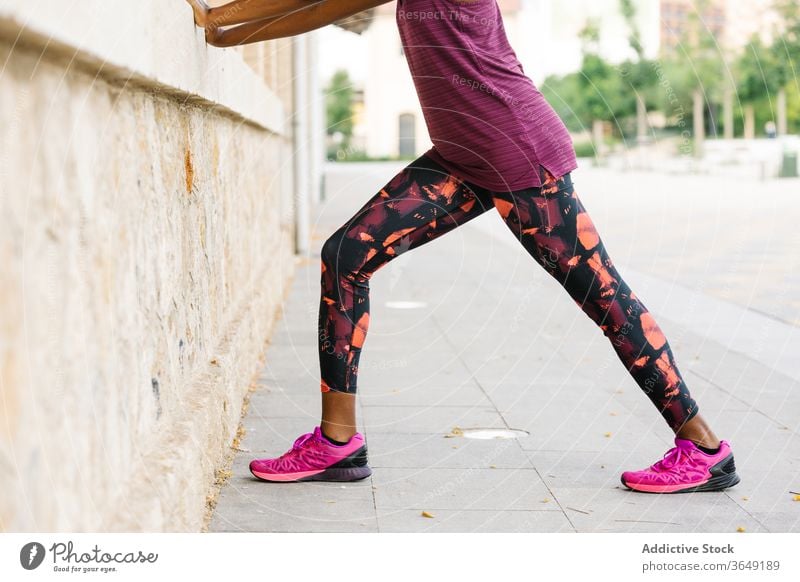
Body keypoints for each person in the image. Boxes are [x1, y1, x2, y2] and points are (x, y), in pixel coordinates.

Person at [185, 0, 741, 494]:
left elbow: (318, 3)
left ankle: (705, 449)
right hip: (462, 155)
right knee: (345, 257)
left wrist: (221, 19)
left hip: (515, 149)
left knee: (603, 297)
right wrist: (225, 33)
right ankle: (337, 443)